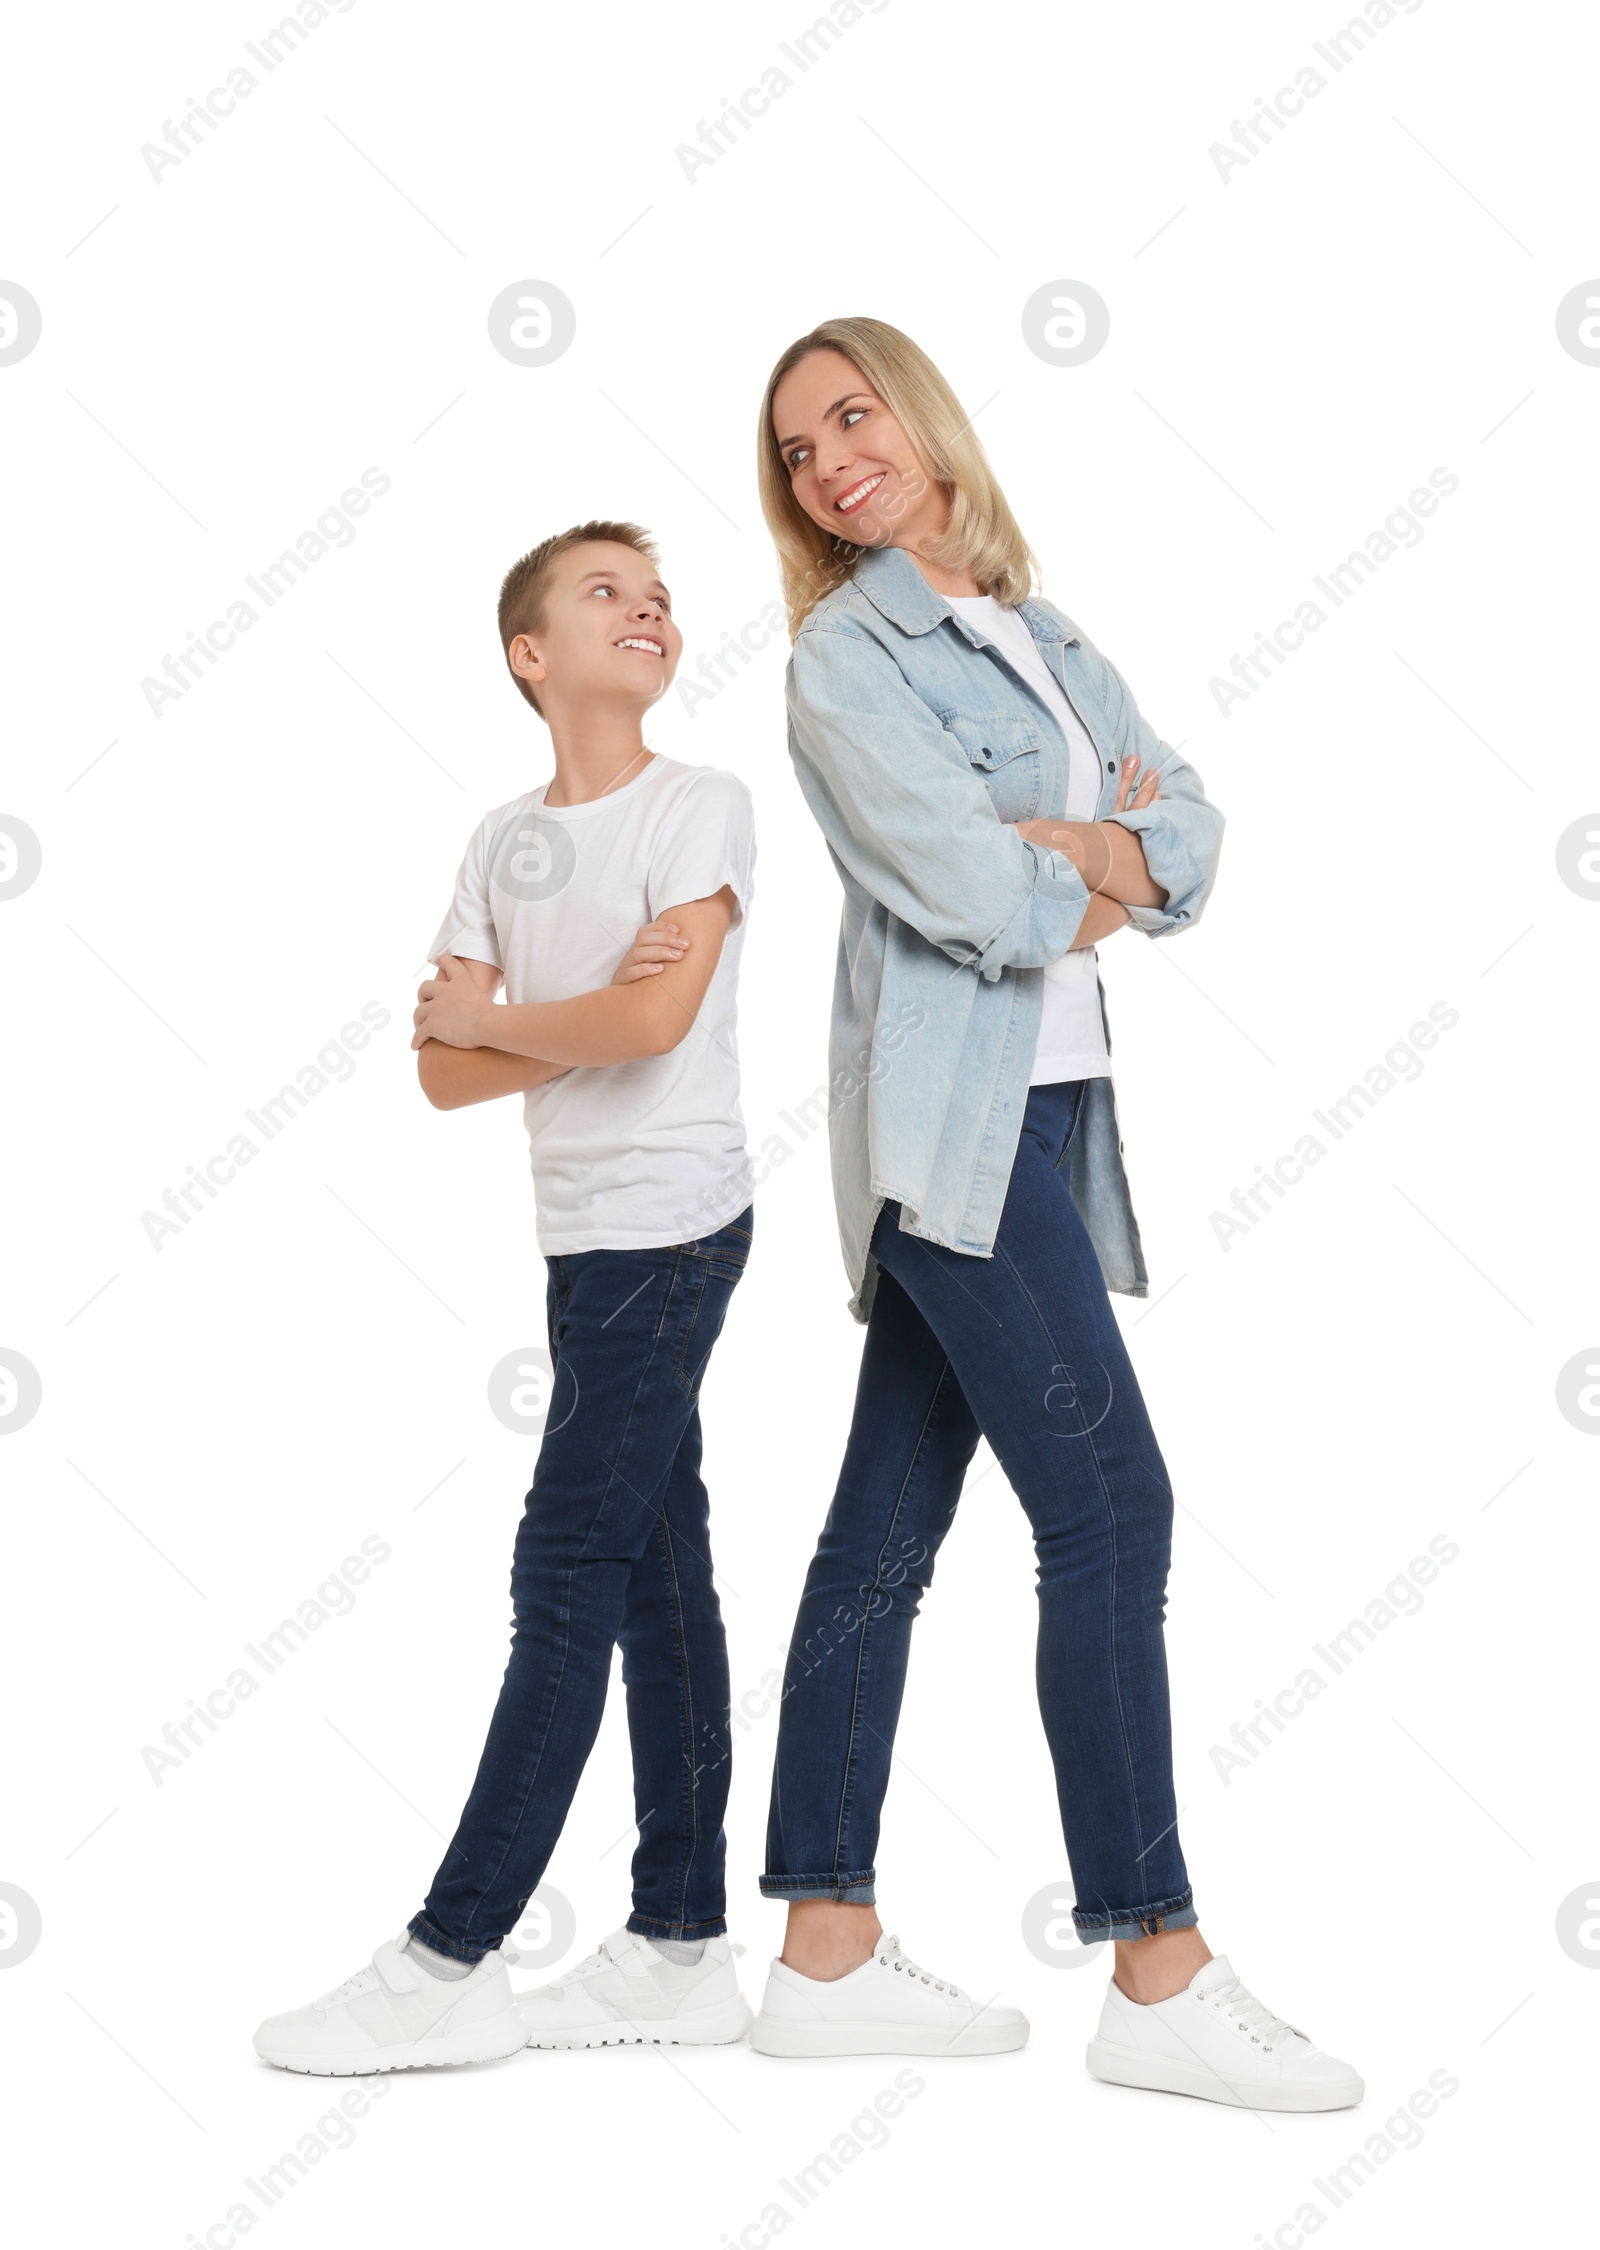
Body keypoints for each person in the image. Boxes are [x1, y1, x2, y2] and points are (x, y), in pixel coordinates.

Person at [744, 320, 1362, 2110]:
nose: (830, 463)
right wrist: (1104, 848)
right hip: (955, 1130)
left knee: (885, 1523)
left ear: (922, 419)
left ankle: (825, 1950)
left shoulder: (1048, 628)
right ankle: (1154, 1966)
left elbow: (1205, 841)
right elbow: (966, 897)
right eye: (795, 451)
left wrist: (1083, 851)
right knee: (1111, 1502)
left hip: (1054, 1109)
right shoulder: (843, 659)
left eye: (850, 417)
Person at [253, 522, 758, 2072]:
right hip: (578, 1245)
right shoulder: (501, 841)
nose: (648, 608)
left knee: (566, 1568)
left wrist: (520, 1014)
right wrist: (564, 1018)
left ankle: (452, 1953)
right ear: (529, 656)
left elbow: (660, 1019)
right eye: (605, 591)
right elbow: (439, 1073)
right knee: (661, 1576)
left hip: (675, 1230)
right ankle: (679, 1945)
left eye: (658, 593)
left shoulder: (702, 804)